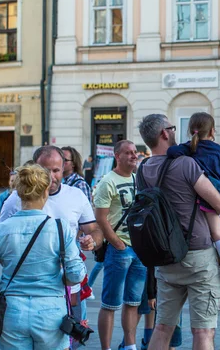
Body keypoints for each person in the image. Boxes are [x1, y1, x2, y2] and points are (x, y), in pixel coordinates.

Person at [0, 164, 86, 349]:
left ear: (18, 192)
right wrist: (61, 281)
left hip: (12, 311)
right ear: (46, 191)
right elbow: (76, 275)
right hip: (51, 312)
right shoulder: (59, 228)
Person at [137, 114, 220, 350]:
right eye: (172, 127)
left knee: (163, 327)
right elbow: (219, 205)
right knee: (203, 331)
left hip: (165, 256)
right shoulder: (186, 165)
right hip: (198, 255)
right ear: (164, 134)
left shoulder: (143, 168)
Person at [0, 146, 103, 327]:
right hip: (26, 291)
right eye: (45, 170)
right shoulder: (17, 198)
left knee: (69, 341)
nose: (51, 176)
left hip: (67, 289)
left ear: (64, 169)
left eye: (56, 170)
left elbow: (95, 230)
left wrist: (92, 240)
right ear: (34, 169)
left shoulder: (76, 196)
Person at [166, 112, 220, 284]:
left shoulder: (190, 148)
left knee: (215, 232)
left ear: (191, 130)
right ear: (212, 131)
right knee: (217, 231)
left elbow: (171, 151)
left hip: (209, 190)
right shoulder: (218, 149)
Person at [93, 140, 146, 350]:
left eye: (135, 152)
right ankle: (106, 347)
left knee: (132, 303)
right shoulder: (108, 181)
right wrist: (117, 243)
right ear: (117, 156)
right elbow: (101, 218)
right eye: (128, 153)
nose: (134, 156)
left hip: (139, 250)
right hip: (119, 249)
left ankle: (129, 345)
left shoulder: (137, 179)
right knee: (110, 304)